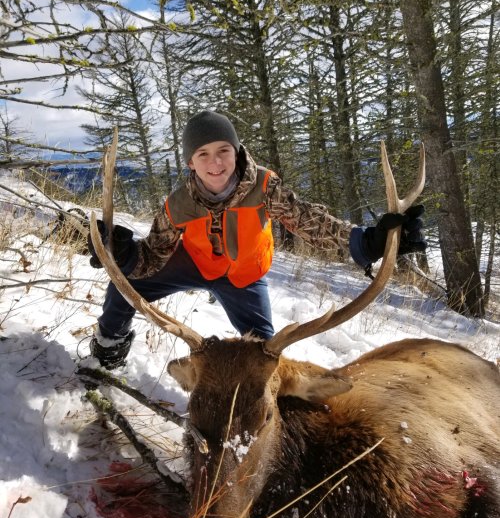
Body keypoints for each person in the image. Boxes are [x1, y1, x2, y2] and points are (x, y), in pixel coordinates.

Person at [88, 111, 426, 369]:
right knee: (123, 287)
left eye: (223, 150)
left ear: (236, 151)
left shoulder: (264, 188)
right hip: (192, 264)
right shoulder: (178, 204)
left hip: (244, 277)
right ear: (190, 162)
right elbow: (152, 258)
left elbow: (308, 220)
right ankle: (107, 353)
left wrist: (365, 242)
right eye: (203, 154)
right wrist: (126, 255)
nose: (215, 162)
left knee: (264, 355)